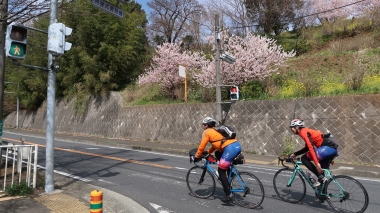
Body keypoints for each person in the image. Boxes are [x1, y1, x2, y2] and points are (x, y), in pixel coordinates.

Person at [194, 117, 242, 203]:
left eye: (203, 124)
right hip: (236, 146)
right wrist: (208, 152)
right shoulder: (216, 131)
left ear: (206, 125)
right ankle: (229, 178)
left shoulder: (207, 132)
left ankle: (229, 195)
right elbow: (216, 145)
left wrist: (197, 156)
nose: (202, 126)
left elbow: (202, 145)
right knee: (218, 154)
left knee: (221, 171)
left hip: (229, 149)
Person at [289, 118, 338, 188]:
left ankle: (320, 177)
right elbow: (307, 148)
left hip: (328, 148)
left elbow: (311, 148)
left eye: (292, 127)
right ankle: (322, 196)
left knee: (304, 158)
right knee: (322, 176)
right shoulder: (305, 131)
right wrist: (295, 154)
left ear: (297, 127)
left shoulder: (303, 132)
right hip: (331, 149)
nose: (291, 129)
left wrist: (316, 163)